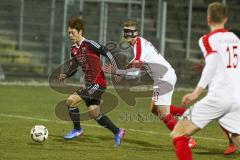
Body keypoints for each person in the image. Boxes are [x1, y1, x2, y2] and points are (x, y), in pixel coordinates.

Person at [103, 19, 198, 147]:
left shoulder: (138, 45)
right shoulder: (138, 43)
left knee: (163, 113)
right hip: (162, 77)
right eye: (125, 32)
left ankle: (186, 139)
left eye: (129, 32)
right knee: (154, 108)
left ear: (135, 33)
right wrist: (132, 62)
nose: (127, 35)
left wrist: (116, 71)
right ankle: (189, 114)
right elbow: (142, 58)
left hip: (164, 77)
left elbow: (135, 73)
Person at [171, 2, 240, 159]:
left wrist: (196, 93)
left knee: (179, 134)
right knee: (236, 137)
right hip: (237, 98)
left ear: (208, 19)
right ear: (226, 19)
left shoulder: (207, 39)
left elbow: (212, 62)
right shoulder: (235, 38)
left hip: (219, 98)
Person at [59, 17, 124, 146]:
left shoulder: (89, 44)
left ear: (80, 32)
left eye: (73, 32)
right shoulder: (73, 49)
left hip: (98, 83)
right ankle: (118, 131)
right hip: (89, 84)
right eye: (69, 33)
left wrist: (115, 67)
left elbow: (107, 52)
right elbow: (74, 66)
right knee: (95, 113)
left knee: (71, 101)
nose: (70, 35)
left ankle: (77, 130)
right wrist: (66, 74)